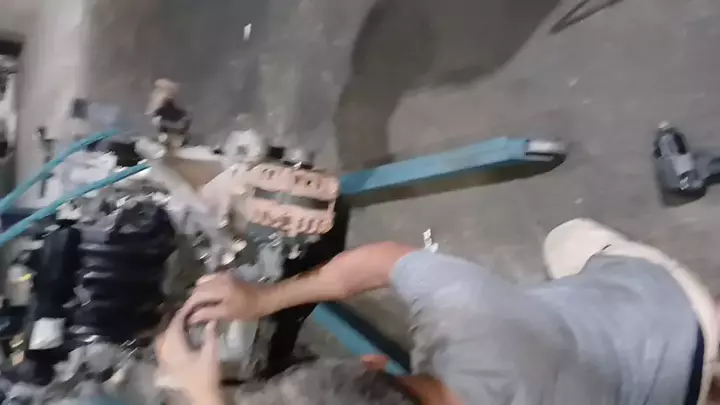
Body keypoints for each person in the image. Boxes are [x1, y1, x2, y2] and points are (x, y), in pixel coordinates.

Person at [154, 218, 719, 405]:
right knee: (566, 240)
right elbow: (381, 261)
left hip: (663, 392)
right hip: (673, 312)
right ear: (372, 365)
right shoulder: (463, 312)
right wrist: (264, 299)